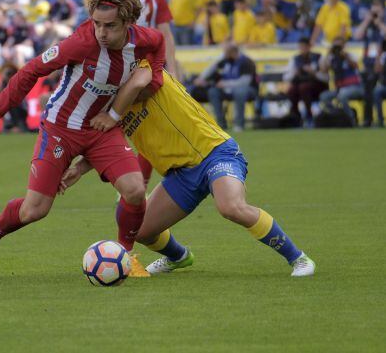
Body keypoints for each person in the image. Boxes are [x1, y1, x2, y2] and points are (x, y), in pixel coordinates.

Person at [0, 0, 165, 275]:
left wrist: (154, 80)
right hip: (60, 128)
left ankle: (126, 255)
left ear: (128, 23)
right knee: (35, 210)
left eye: (110, 26)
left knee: (135, 190)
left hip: (102, 129)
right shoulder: (81, 43)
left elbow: (159, 46)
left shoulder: (145, 39)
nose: (101, 32)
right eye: (96, 23)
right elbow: (33, 68)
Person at [59, 54, 316, 277]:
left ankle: (299, 258)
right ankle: (179, 257)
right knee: (141, 230)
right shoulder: (111, 106)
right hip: (180, 175)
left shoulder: (142, 68)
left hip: (215, 153)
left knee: (231, 207)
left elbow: (141, 84)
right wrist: (79, 169)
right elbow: (107, 143)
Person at [114, 0, 179, 188]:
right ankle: (128, 185)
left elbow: (166, 35)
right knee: (117, 127)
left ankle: (137, 188)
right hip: (118, 69)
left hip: (149, 67)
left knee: (149, 127)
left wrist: (170, 69)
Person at [193, 42, 258, 131]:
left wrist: (226, 83)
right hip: (228, 90)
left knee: (239, 91)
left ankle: (239, 124)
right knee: (213, 91)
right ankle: (221, 124)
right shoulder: (226, 60)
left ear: (233, 53)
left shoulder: (247, 62)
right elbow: (212, 68)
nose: (224, 56)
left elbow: (245, 82)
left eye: (226, 53)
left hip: (248, 90)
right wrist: (201, 78)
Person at [284, 37, 328, 126]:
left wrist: (313, 72)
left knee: (304, 87)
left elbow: (326, 77)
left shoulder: (319, 57)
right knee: (292, 90)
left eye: (304, 46)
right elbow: (286, 77)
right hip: (300, 85)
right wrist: (294, 73)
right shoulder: (295, 59)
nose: (302, 49)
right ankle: (296, 116)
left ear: (309, 47)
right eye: (300, 47)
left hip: (318, 86)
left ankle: (309, 115)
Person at [319, 38, 364, 124]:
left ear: (344, 46)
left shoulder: (350, 55)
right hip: (339, 89)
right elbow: (323, 69)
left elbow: (356, 66)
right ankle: (338, 116)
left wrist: (346, 56)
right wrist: (328, 53)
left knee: (343, 95)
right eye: (336, 46)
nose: (338, 49)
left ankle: (351, 120)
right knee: (324, 97)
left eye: (339, 46)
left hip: (355, 87)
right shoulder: (332, 58)